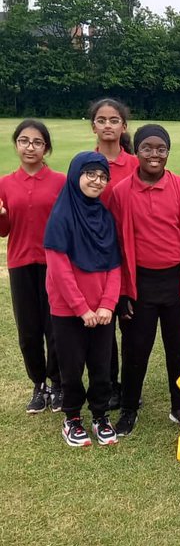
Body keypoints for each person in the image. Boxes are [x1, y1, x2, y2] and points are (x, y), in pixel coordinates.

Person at [109, 124, 180, 437]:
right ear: (135, 151)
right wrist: (121, 290)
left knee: (179, 349)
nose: (154, 154)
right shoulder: (121, 192)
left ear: (168, 152)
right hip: (139, 284)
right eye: (147, 148)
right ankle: (128, 408)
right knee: (135, 350)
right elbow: (115, 245)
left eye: (160, 148)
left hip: (177, 283)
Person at [44, 152, 121, 447]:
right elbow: (59, 269)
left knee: (102, 366)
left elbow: (115, 265)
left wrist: (107, 304)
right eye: (90, 174)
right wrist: (81, 308)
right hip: (69, 311)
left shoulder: (105, 217)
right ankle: (72, 418)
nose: (97, 181)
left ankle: (100, 415)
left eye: (103, 177)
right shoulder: (61, 215)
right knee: (72, 367)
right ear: (76, 174)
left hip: (102, 311)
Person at [0, 119, 65, 413]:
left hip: (54, 264)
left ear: (46, 148)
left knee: (55, 327)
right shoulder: (4, 183)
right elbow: (4, 230)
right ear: (16, 144)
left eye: (37, 142)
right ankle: (38, 384)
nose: (30, 147)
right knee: (28, 329)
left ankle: (57, 383)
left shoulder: (60, 182)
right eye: (24, 141)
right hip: (21, 262)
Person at [89, 97, 138, 409]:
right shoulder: (84, 162)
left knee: (131, 325)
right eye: (102, 120)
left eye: (114, 120)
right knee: (103, 328)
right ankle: (108, 385)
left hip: (133, 257)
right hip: (97, 259)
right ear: (93, 125)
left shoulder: (136, 164)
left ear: (124, 125)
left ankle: (131, 388)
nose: (108, 125)